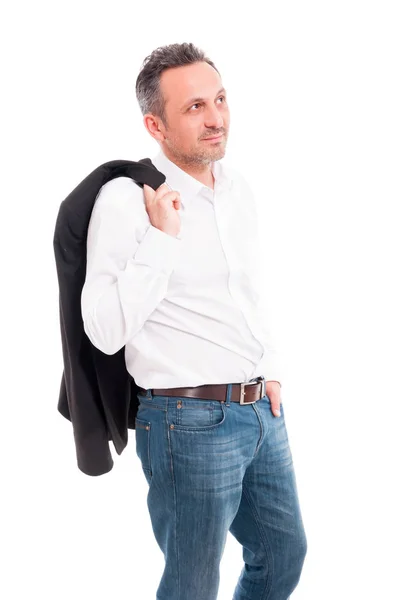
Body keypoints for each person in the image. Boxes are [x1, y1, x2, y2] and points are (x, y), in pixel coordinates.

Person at [81, 42, 307, 600]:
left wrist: (271, 368)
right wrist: (161, 238)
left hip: (260, 413)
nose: (216, 118)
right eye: (194, 108)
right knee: (191, 586)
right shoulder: (124, 200)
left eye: (220, 100)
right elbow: (104, 330)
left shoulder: (236, 189)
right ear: (154, 125)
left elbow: (248, 293)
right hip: (187, 421)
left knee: (283, 556)